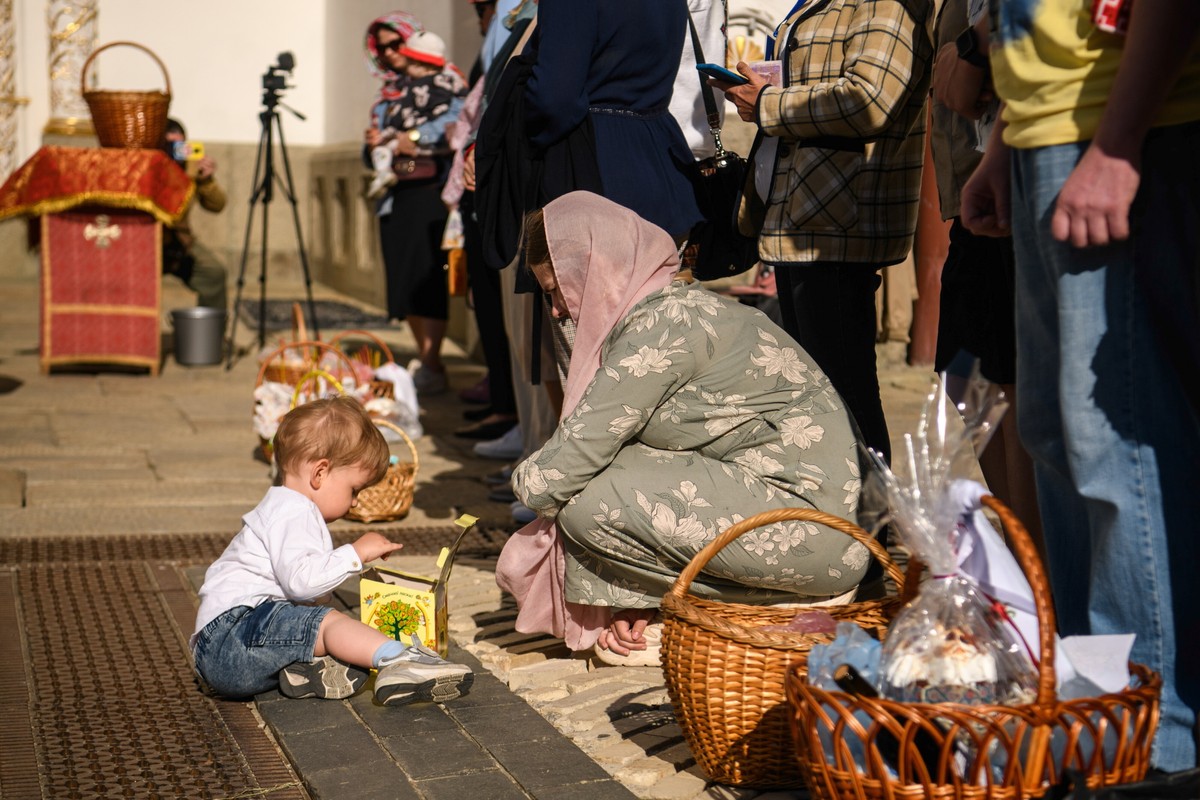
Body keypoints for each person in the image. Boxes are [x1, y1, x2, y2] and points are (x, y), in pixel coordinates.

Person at [961, 0, 1200, 773]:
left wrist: (1118, 142)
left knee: (1116, 441)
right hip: (1049, 134)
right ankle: (1091, 702)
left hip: (1121, 124)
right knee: (1052, 432)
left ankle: (1156, 737)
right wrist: (1007, 141)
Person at [497, 192, 870, 665]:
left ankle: (758, 606)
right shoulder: (661, 312)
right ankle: (672, 607)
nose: (555, 310)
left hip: (817, 534)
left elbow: (565, 466)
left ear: (595, 271)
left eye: (557, 290)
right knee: (606, 478)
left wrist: (523, 489)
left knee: (587, 500)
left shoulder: (662, 324)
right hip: (802, 516)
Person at [719, 0, 934, 467]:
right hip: (801, 217)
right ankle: (841, 504)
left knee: (844, 395)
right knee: (818, 397)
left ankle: (869, 507)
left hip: (836, 223)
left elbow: (870, 100)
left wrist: (769, 104)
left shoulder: (886, 3)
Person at [192, 396, 473, 706]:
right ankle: (398, 660)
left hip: (226, 648)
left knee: (313, 623)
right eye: (354, 489)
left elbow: (297, 590)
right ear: (320, 473)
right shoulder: (294, 511)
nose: (355, 502)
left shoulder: (285, 507)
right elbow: (302, 582)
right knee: (328, 624)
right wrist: (355, 553)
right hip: (232, 636)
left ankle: (306, 671)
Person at [927, 0, 1043, 556]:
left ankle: (1038, 568)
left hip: (1020, 189)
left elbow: (963, 86)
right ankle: (1024, 555)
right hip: (978, 191)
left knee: (1009, 384)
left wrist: (970, 49)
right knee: (966, 374)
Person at [364, 12, 468, 395]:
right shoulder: (387, 95)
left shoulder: (447, 80)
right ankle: (426, 362)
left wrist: (412, 137)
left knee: (428, 277)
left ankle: (431, 361)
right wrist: (374, 145)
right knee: (403, 280)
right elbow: (370, 149)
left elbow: (459, 121)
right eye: (383, 47)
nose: (390, 52)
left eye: (397, 43)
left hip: (430, 192)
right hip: (395, 194)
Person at [160, 119, 228, 311]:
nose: (175, 151)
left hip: (180, 243)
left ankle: (209, 328)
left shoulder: (190, 168)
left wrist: (206, 180)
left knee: (213, 273)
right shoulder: (148, 167)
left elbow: (217, 205)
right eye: (169, 145)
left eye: (179, 145)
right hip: (150, 242)